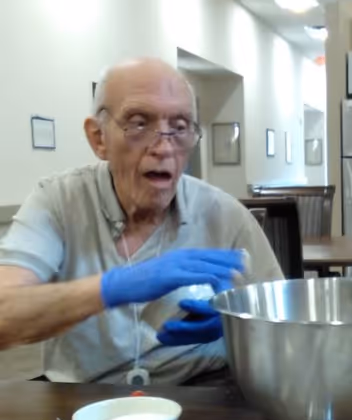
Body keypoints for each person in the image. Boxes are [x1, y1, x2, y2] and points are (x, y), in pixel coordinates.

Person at [0, 58, 283, 385]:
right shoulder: (58, 202)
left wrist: (238, 323)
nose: (163, 147)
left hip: (203, 393)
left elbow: (282, 320)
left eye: (179, 128)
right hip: (87, 398)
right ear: (98, 138)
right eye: (138, 123)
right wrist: (112, 288)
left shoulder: (225, 214)